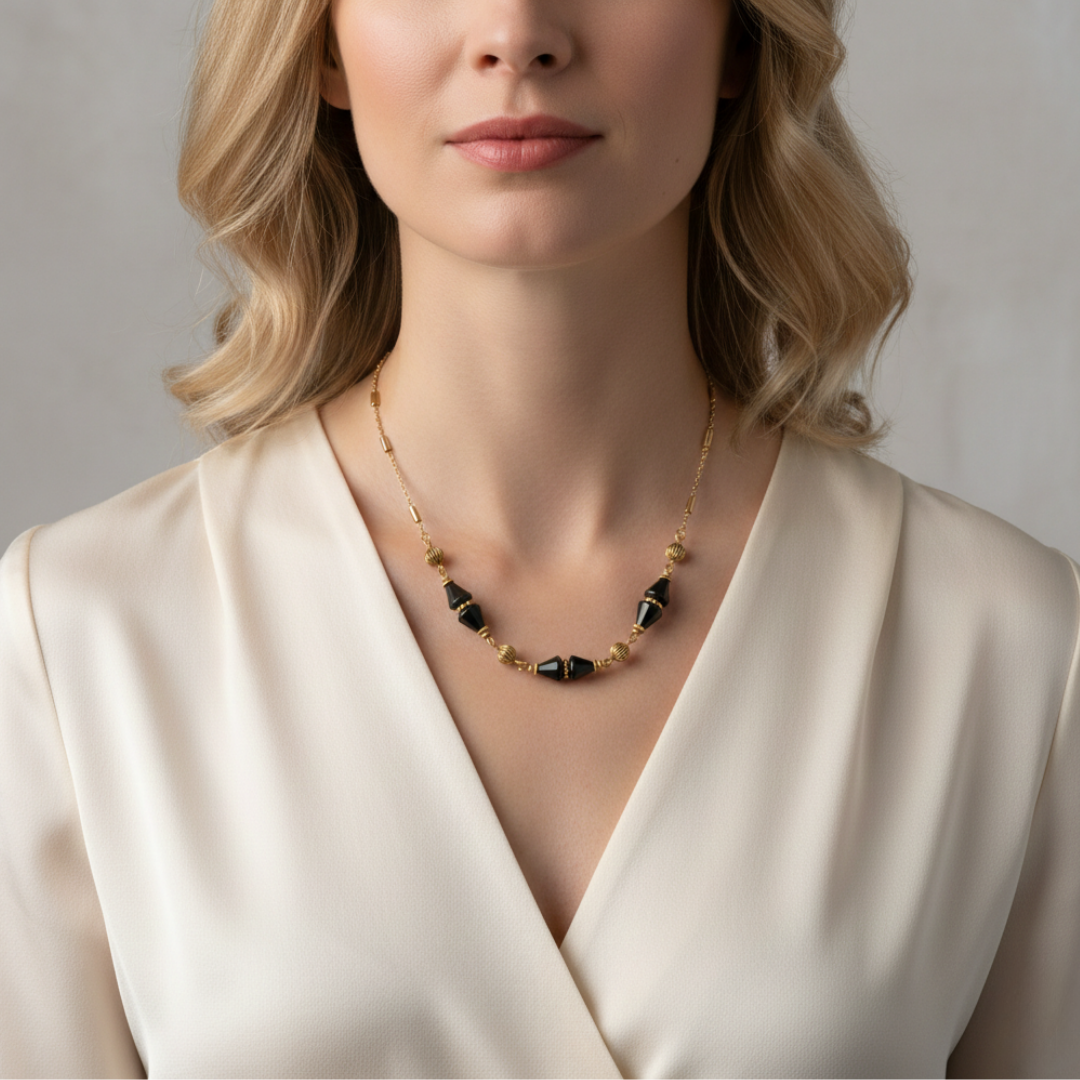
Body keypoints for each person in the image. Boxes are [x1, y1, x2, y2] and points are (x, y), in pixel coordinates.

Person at [1, 0, 1077, 1075]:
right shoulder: (79, 634)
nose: (516, 32)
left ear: (742, 38)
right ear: (322, 45)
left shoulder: (1012, 648)